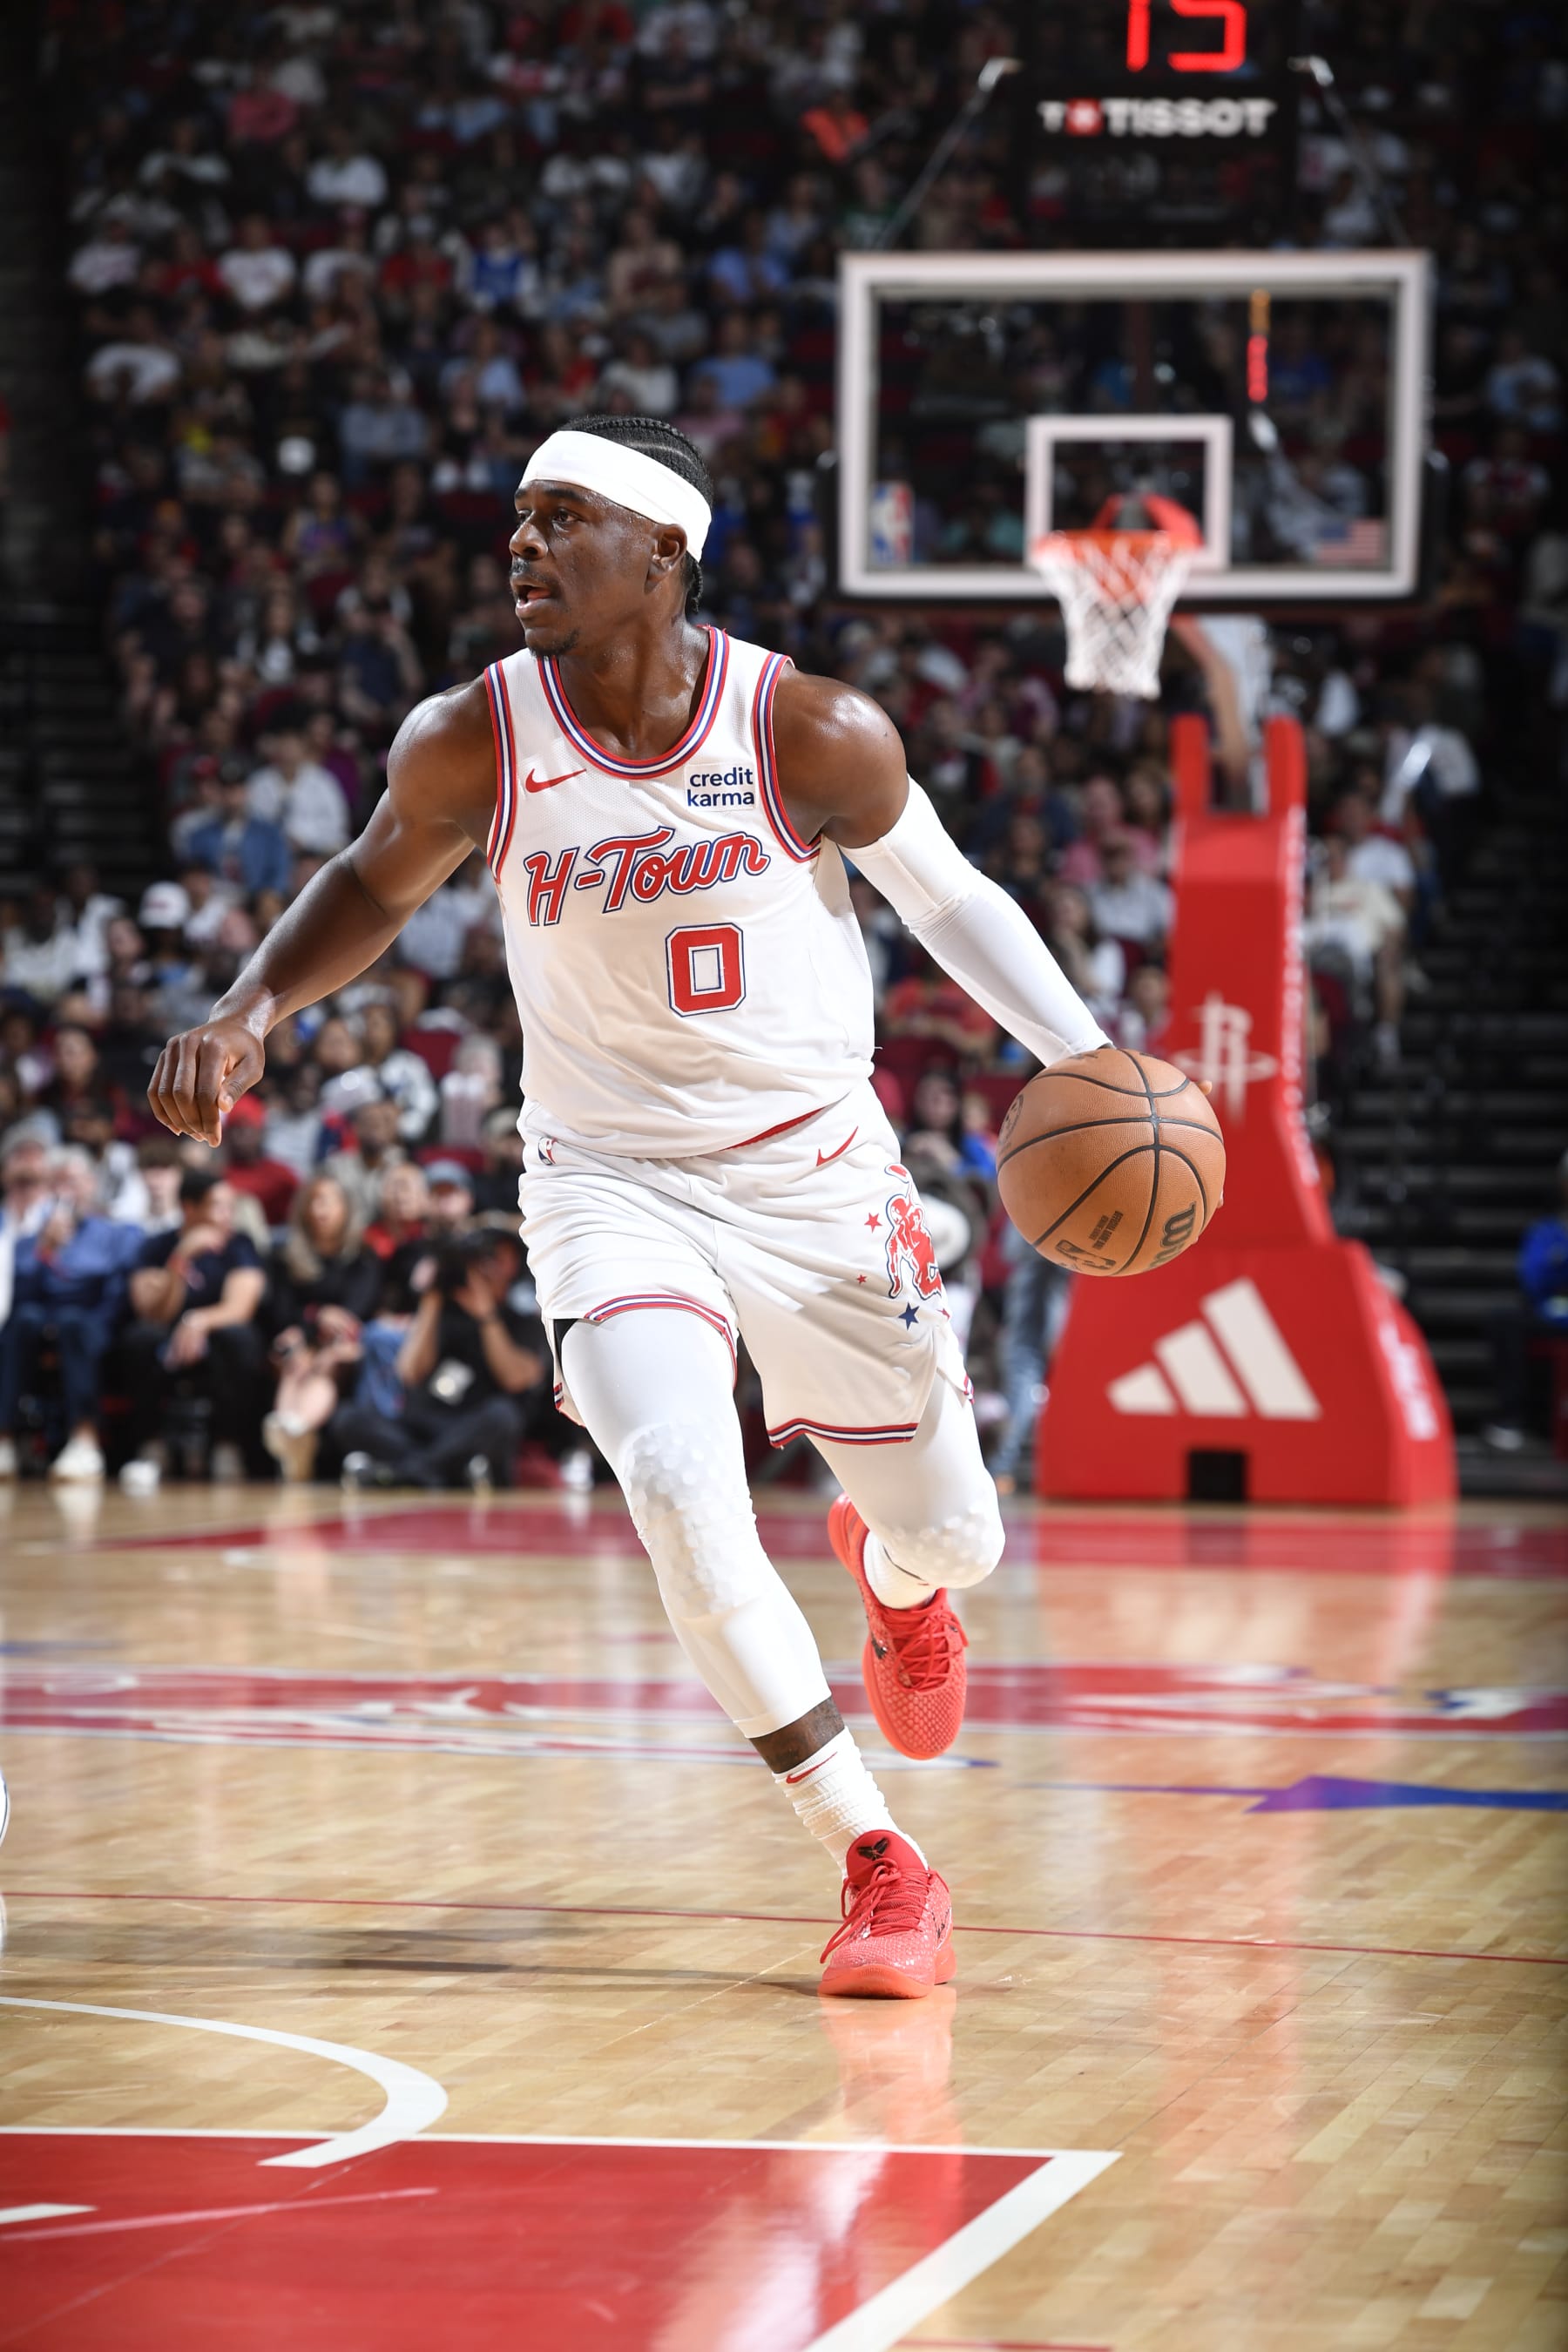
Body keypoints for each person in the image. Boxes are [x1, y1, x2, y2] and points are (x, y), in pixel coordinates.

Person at [146, 413, 1112, 1998]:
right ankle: (880, 1862)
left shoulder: (811, 729)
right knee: (673, 1478)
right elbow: (374, 884)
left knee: (958, 1531)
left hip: (814, 1175)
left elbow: (951, 900)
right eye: (518, 520)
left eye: (561, 518)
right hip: (607, 1181)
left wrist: (1086, 1052)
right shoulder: (477, 733)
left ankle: (897, 1577)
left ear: (665, 550)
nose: (521, 546)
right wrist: (253, 1009)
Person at [330, 1229, 544, 1490]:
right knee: (347, 1417)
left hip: (470, 1427)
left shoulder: (522, 1323)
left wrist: (486, 1315)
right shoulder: (439, 1312)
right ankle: (444, 1469)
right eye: (481, 1259)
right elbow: (409, 1373)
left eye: (497, 1258)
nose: (486, 1268)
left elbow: (515, 1379)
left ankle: (406, 1472)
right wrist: (431, 1299)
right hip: (421, 1425)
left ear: (515, 1267)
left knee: (503, 1416)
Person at [123, 1168, 269, 1478]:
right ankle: (151, 1445)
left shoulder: (240, 1245)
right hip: (167, 1337)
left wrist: (197, 1321)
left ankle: (227, 1444)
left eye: (231, 1206)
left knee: (241, 1339)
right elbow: (154, 1312)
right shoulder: (157, 1246)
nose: (229, 1215)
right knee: (139, 1339)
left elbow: (240, 1308)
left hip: (214, 1336)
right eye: (219, 1206)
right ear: (189, 1208)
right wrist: (180, 1259)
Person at [0, 1146, 135, 1481]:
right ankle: (4, 1438)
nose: (64, 1191)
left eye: (72, 1182)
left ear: (90, 1184)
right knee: (23, 1321)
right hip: (43, 1322)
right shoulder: (29, 1241)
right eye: (56, 1183)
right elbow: (21, 1297)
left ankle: (84, 1439)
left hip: (93, 1322)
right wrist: (43, 1251)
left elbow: (117, 1293)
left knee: (74, 1323)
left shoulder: (113, 1233)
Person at [263, 1173, 382, 1481]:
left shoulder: (363, 1257)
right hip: (305, 1342)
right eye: (313, 1201)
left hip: (348, 1345)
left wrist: (313, 1324)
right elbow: (281, 1312)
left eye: (327, 1201)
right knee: (294, 1356)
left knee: (327, 1361)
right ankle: (289, 1431)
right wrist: (314, 1320)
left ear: (346, 1208)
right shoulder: (286, 1256)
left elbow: (356, 1313)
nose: (320, 1209)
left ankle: (294, 1429)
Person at [1484, 1152, 1568, 1453]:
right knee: (1504, 1322)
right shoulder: (1547, 1231)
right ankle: (1512, 1419)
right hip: (1553, 1314)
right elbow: (1532, 1279)